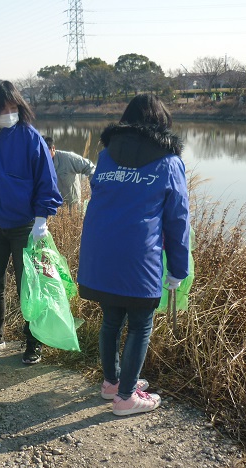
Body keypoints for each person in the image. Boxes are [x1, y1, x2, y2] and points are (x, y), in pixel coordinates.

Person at [77, 94, 190, 416]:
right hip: (139, 255)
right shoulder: (169, 162)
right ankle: (126, 398)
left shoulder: (106, 156)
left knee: (112, 318)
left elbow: (101, 200)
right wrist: (178, 269)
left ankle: (112, 383)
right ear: (161, 124)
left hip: (101, 251)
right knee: (140, 323)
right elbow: (177, 219)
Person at [0, 80, 62, 364]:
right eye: (2, 108)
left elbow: (47, 182)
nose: (8, 112)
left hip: (24, 228)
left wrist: (42, 218)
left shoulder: (31, 138)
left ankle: (34, 341)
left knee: (28, 286)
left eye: (13, 106)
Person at [43, 136, 95, 210]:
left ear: (53, 148)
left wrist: (95, 189)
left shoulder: (68, 158)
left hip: (73, 208)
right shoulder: (36, 164)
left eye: (45, 151)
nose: (43, 155)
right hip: (51, 209)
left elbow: (90, 167)